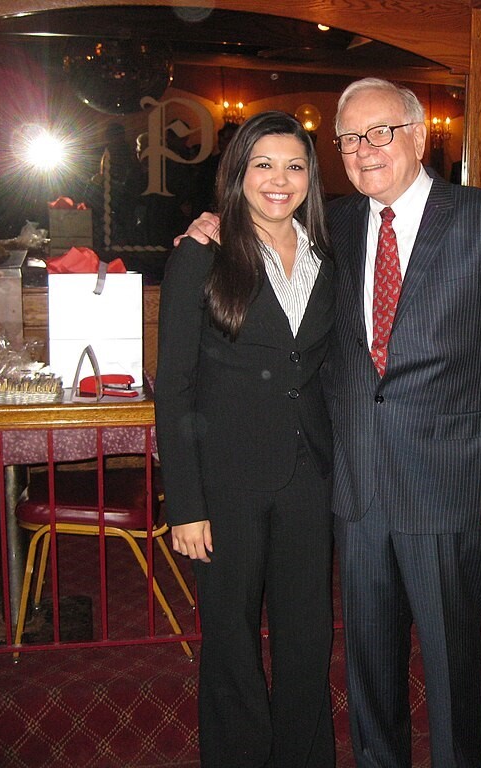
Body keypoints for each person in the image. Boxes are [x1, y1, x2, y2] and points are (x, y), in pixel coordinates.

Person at [181, 79, 481, 767]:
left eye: (380, 132)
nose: (364, 149)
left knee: (449, 662)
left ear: (418, 135)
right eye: (349, 138)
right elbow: (264, 232)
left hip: (449, 484)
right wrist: (214, 226)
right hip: (357, 485)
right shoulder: (335, 225)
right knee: (369, 666)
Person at [155, 110, 336, 768]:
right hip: (225, 481)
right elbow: (172, 386)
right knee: (230, 641)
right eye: (263, 164)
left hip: (308, 475)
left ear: (310, 177)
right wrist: (185, 504)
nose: (278, 179)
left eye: (294, 165)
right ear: (238, 174)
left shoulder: (325, 250)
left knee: (306, 639)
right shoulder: (201, 255)